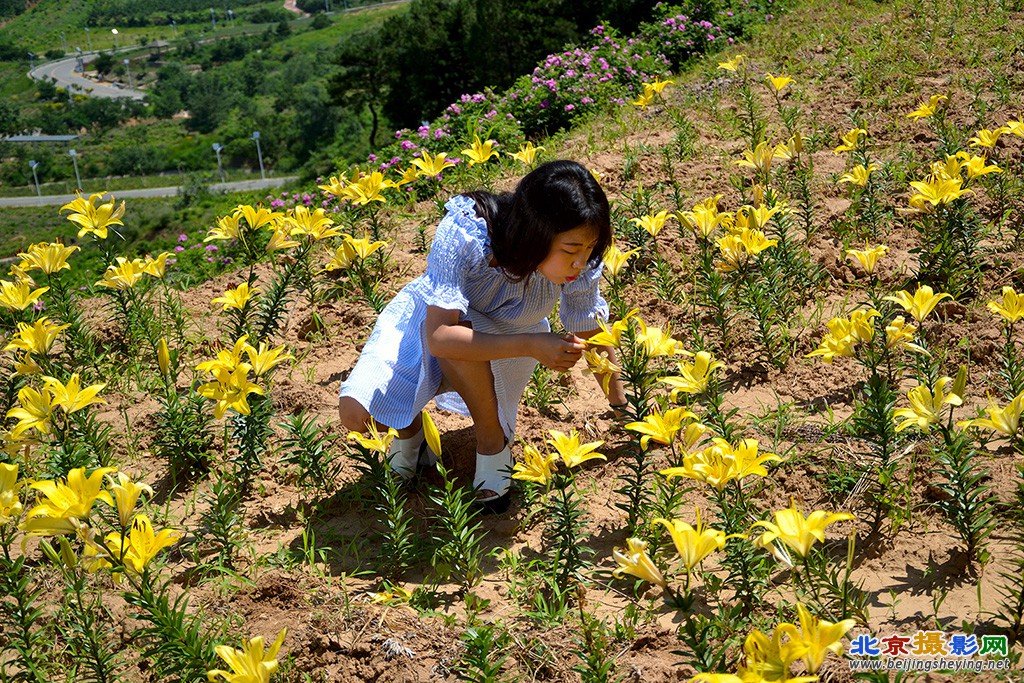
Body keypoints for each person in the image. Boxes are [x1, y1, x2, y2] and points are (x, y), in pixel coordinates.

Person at [338, 159, 626, 512]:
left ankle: (492, 442)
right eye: (570, 250)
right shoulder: (467, 231)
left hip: (509, 334)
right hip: (432, 324)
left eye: (589, 248)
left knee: (462, 344)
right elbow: (441, 335)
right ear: (536, 232)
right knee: (356, 414)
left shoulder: (582, 259)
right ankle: (411, 433)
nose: (581, 263)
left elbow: (589, 325)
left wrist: (622, 407)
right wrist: (533, 345)